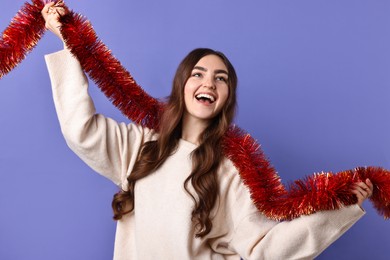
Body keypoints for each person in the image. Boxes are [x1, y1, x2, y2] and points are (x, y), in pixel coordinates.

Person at [41, 2, 374, 259]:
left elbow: (266, 249)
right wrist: (69, 44)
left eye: (221, 78)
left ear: (227, 97)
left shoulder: (231, 171)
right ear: (182, 85)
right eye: (198, 74)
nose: (209, 83)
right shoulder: (141, 146)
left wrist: (342, 208)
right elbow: (79, 130)